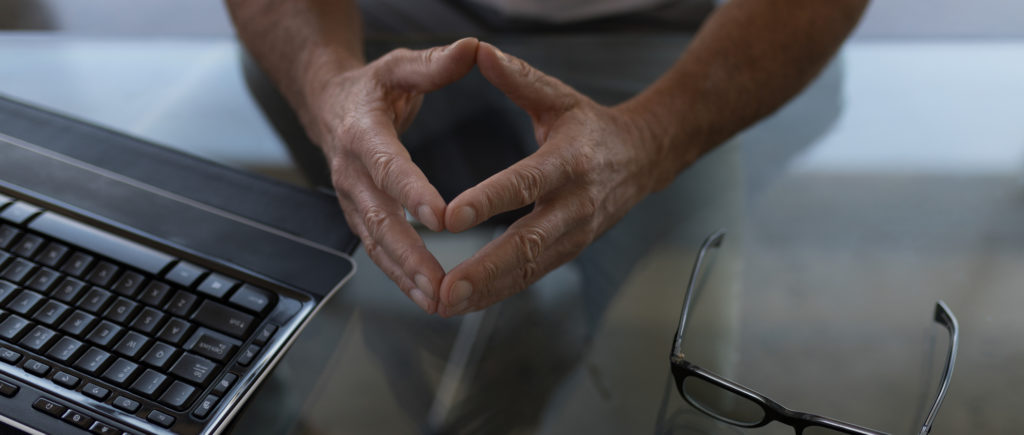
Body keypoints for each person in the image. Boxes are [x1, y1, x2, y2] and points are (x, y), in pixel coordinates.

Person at [224, 0, 869, 318]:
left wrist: (649, 142)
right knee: (405, 316)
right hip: (377, 16)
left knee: (661, 369)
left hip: (665, 29)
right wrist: (324, 81)